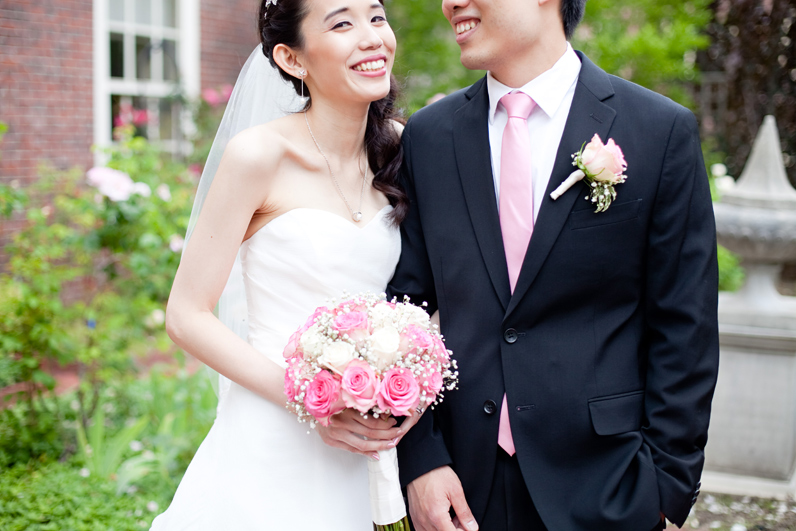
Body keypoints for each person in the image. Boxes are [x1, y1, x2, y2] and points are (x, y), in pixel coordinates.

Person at [387, 0, 720, 530]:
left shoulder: (658, 131)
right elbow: (402, 313)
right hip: (462, 486)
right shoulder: (430, 136)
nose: (450, 3)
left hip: (608, 483)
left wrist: (666, 490)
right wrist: (421, 460)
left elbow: (686, 326)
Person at [150, 0, 419, 528]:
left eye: (377, 17)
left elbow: (434, 288)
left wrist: (410, 380)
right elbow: (187, 314)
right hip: (270, 439)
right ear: (292, 60)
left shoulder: (405, 150)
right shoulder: (259, 155)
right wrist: (310, 399)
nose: (371, 38)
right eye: (342, 23)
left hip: (367, 444)